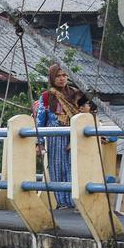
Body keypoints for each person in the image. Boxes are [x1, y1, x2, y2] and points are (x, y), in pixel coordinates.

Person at [34, 64, 81, 208]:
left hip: (74, 135)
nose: (61, 79)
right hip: (55, 136)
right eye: (58, 76)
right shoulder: (47, 97)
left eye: (64, 75)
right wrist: (39, 143)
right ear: (52, 78)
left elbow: (88, 112)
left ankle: (75, 202)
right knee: (57, 168)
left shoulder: (76, 93)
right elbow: (40, 120)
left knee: (74, 168)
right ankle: (63, 202)